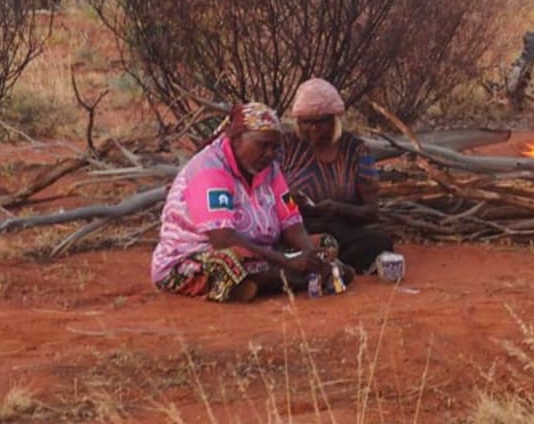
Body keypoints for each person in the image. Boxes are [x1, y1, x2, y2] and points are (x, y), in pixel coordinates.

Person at [151, 101, 330, 302]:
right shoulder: (209, 169)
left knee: (324, 244)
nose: (270, 154)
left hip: (262, 254)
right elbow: (223, 239)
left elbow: (292, 222)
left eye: (274, 148)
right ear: (236, 139)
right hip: (196, 256)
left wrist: (309, 256)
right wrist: (291, 263)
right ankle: (299, 280)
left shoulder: (271, 170)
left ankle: (277, 280)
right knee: (228, 263)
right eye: (262, 145)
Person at [281, 77, 396, 275]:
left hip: (341, 229)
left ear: (334, 119)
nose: (314, 128)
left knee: (380, 241)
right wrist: (291, 201)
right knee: (277, 239)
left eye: (321, 122)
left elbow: (372, 212)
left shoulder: (357, 150)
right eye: (307, 122)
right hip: (297, 228)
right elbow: (268, 197)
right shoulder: (287, 146)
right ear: (298, 122)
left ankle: (313, 262)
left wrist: (338, 209)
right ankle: (321, 260)